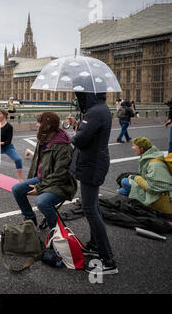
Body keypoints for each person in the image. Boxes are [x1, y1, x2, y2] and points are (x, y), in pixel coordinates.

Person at [66, 91, 118, 275]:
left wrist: (73, 134)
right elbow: (89, 134)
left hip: (92, 164)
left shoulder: (95, 112)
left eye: (80, 95)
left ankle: (108, 260)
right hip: (93, 162)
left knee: (90, 209)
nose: (78, 98)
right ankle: (95, 245)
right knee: (93, 207)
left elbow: (80, 139)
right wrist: (79, 125)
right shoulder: (100, 109)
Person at [12, 112, 77, 229]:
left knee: (42, 202)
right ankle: (30, 218)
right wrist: (35, 182)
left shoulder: (63, 147)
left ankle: (55, 231)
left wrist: (40, 187)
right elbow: (37, 164)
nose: (37, 125)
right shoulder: (43, 140)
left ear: (46, 126)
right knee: (17, 189)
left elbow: (60, 175)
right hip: (43, 179)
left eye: (39, 122)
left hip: (61, 185)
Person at [118, 137, 172, 215]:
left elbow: (153, 188)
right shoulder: (150, 157)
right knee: (122, 191)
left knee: (124, 182)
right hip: (156, 194)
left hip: (160, 198)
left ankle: (140, 207)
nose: (132, 148)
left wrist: (136, 178)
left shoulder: (155, 164)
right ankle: (131, 206)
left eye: (134, 146)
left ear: (142, 148)